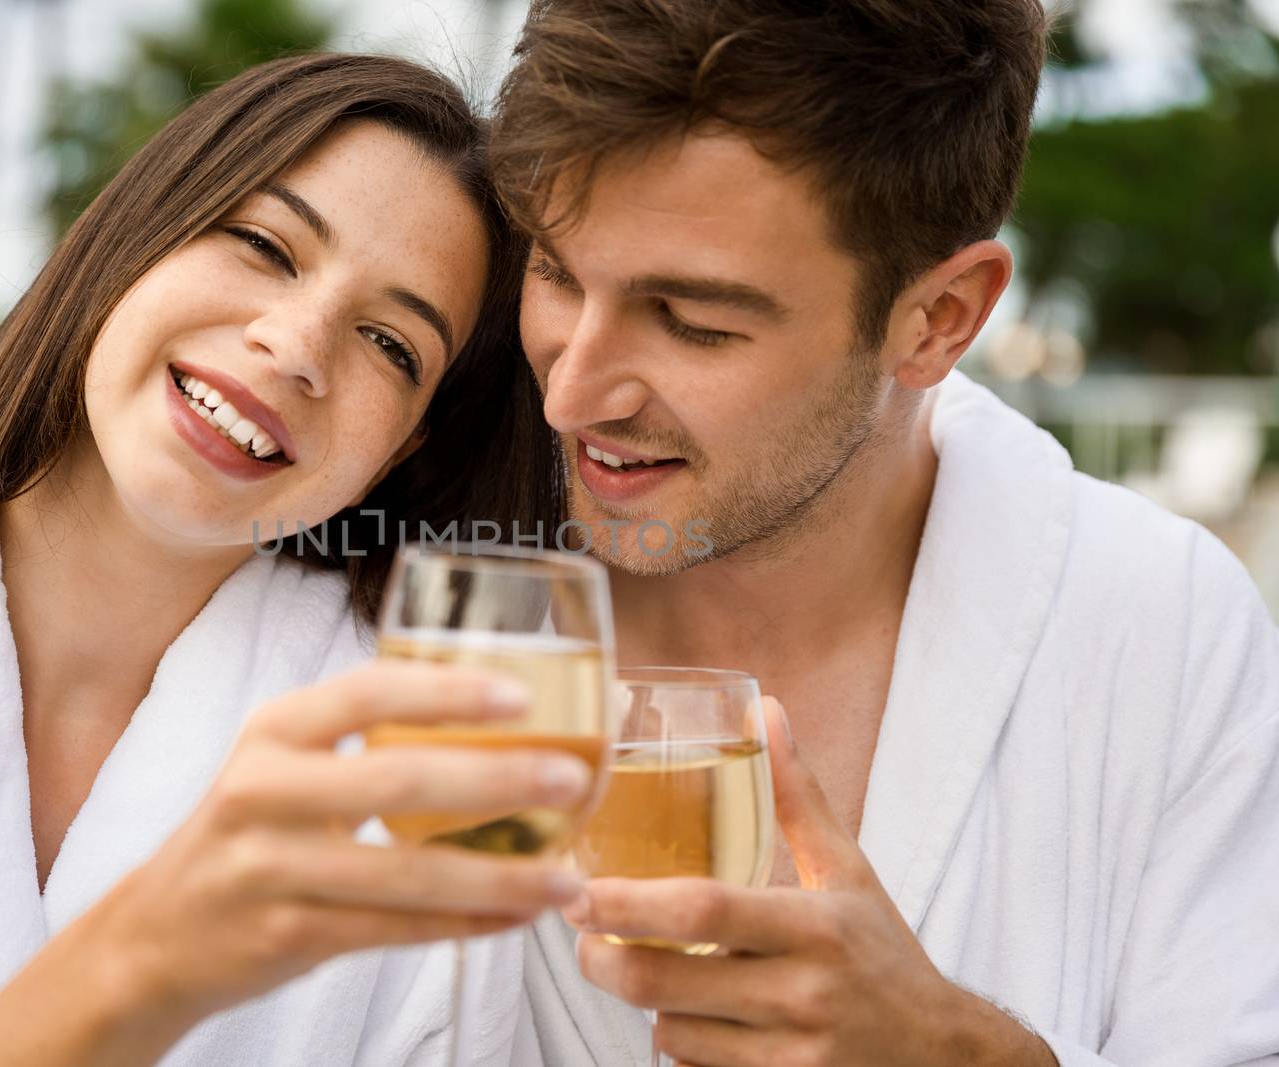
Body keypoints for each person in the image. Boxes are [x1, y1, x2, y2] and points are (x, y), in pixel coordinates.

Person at [0, 53, 594, 1066]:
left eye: (388, 342)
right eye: (262, 243)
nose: (296, 343)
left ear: (407, 444)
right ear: (136, 239)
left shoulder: (425, 760)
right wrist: (144, 964)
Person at [488, 2, 1279, 1065]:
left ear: (939, 318)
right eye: (553, 272)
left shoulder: (1163, 627)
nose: (571, 393)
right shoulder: (402, 574)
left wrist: (952, 1051)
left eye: (693, 321)